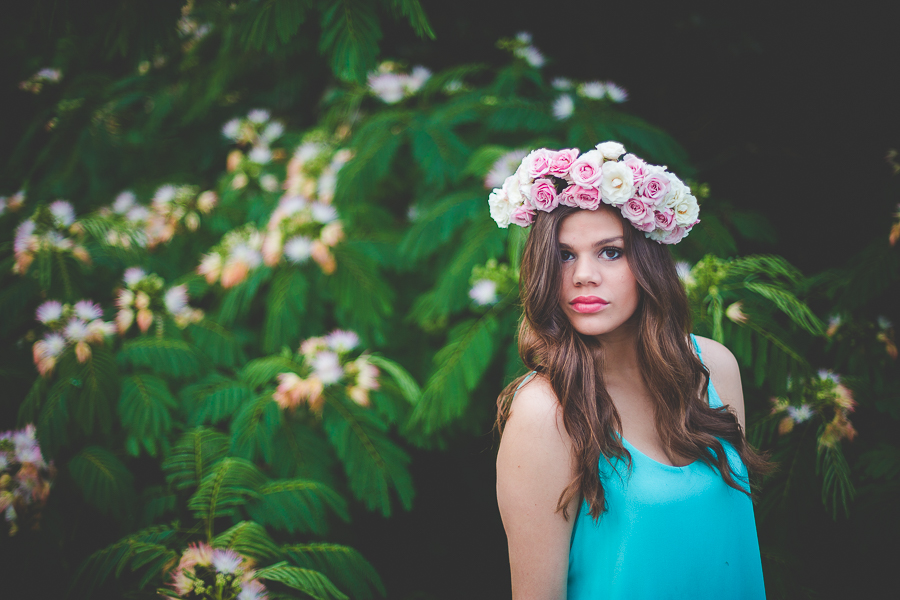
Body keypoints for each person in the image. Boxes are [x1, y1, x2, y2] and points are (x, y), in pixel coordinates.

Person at [488, 142, 771, 599]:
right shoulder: (544, 412)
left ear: (649, 263)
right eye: (564, 255)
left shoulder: (714, 368)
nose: (583, 275)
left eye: (610, 252)